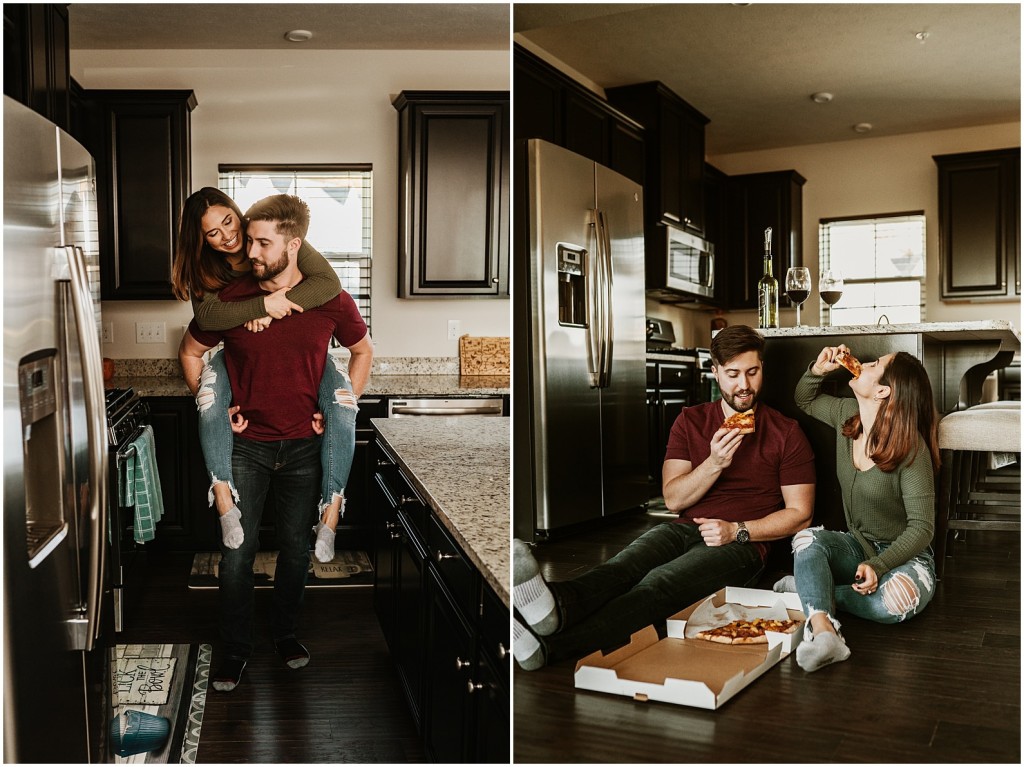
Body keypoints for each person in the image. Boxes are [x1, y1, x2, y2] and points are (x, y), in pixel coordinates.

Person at [512, 325, 816, 670]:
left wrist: (736, 530)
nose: (743, 385)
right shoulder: (690, 421)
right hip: (682, 529)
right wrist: (714, 463)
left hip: (742, 545)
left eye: (752, 372)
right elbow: (673, 499)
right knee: (622, 568)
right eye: (732, 374)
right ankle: (555, 605)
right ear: (715, 372)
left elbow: (800, 513)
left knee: (658, 585)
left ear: (762, 368)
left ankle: (549, 646)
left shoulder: (786, 432)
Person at [178, 194, 373, 691]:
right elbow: (191, 351)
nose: (248, 251)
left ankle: (285, 633)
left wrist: (338, 408)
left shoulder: (328, 297)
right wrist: (212, 403)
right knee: (236, 556)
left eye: (262, 243)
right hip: (247, 449)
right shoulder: (230, 301)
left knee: (294, 549)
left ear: (293, 245)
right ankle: (235, 648)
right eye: (249, 240)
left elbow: (362, 350)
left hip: (305, 449)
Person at [171, 187, 353, 563]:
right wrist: (258, 306)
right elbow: (207, 318)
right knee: (209, 398)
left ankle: (331, 512)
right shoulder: (207, 269)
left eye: (229, 221)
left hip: (301, 438)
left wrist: (277, 306)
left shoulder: (282, 241)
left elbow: (328, 284)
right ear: (201, 240)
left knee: (343, 403)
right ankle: (223, 499)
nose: (229, 237)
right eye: (212, 233)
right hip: (240, 397)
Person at [772, 346, 939, 673]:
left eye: (874, 365)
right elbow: (804, 399)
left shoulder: (911, 449)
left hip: (906, 559)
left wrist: (880, 565)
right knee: (806, 539)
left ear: (882, 391)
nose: (863, 364)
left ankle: (813, 592)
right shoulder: (846, 414)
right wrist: (818, 371)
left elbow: (922, 528)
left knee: (897, 601)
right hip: (859, 549)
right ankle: (825, 633)